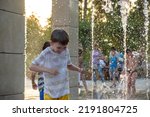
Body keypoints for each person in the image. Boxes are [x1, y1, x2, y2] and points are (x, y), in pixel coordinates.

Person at [30, 29, 84, 100]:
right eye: (59, 47)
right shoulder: (46, 53)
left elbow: (69, 65)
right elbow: (32, 66)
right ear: (51, 43)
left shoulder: (65, 51)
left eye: (64, 47)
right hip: (50, 92)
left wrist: (79, 70)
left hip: (64, 91)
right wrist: (48, 70)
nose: (62, 50)